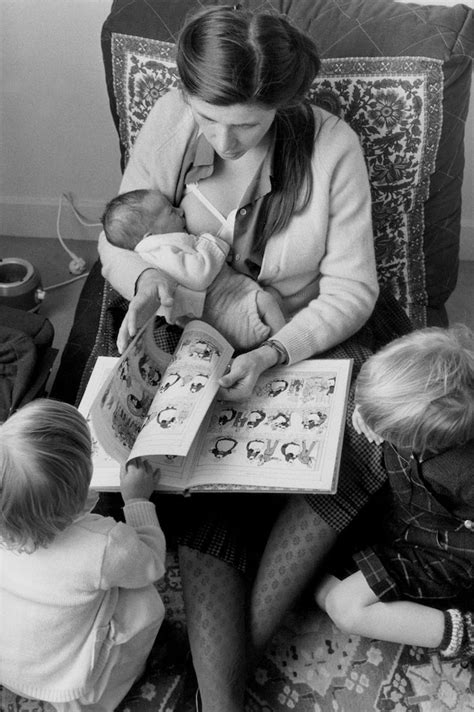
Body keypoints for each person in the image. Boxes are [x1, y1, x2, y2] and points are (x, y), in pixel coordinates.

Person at [97, 5, 402, 710]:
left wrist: (274, 351)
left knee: (345, 464)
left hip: (307, 339)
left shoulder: (332, 146)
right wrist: (146, 283)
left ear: (285, 104)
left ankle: (205, 696)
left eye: (248, 124)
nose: (223, 139)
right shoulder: (170, 120)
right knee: (208, 489)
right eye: (208, 117)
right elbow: (118, 237)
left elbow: (354, 289)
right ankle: (219, 696)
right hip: (203, 338)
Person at [315, 326, 474, 664]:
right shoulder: (421, 415)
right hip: (403, 522)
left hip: (449, 550)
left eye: (388, 431)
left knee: (343, 607)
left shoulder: (462, 470)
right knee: (321, 568)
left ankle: (463, 632)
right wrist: (369, 412)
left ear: (419, 441)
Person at [0, 399, 166, 710]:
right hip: (70, 682)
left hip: (12, 667)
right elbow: (153, 564)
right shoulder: (105, 542)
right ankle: (105, 692)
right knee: (146, 604)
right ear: (80, 483)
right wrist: (137, 501)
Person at [102, 187, 287, 348]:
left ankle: (277, 340)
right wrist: (211, 243)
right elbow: (199, 275)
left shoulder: (164, 246)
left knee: (273, 300)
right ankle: (283, 346)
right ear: (151, 235)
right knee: (266, 301)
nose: (180, 211)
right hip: (224, 309)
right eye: (171, 212)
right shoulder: (162, 251)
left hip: (230, 298)